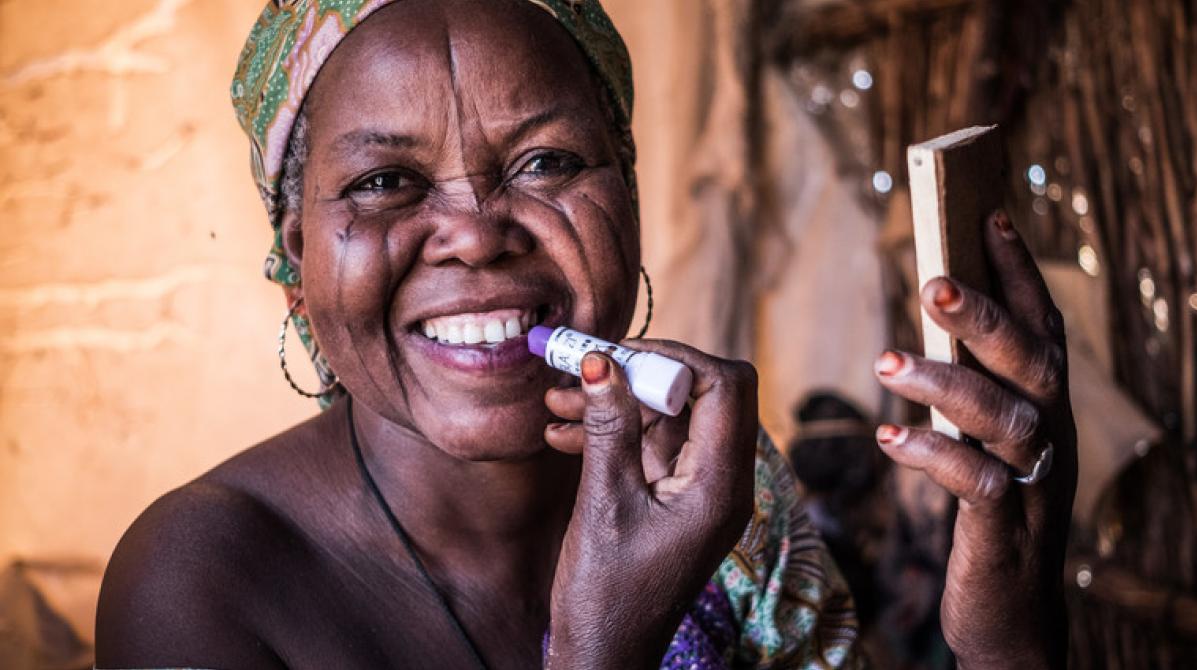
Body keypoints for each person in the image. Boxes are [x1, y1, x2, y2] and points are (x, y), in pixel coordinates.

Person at [94, 1, 1077, 668]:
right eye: (382, 181)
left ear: (631, 199)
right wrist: (604, 646)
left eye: (546, 161)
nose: (477, 234)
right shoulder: (196, 582)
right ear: (295, 259)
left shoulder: (718, 495)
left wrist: (1003, 641)